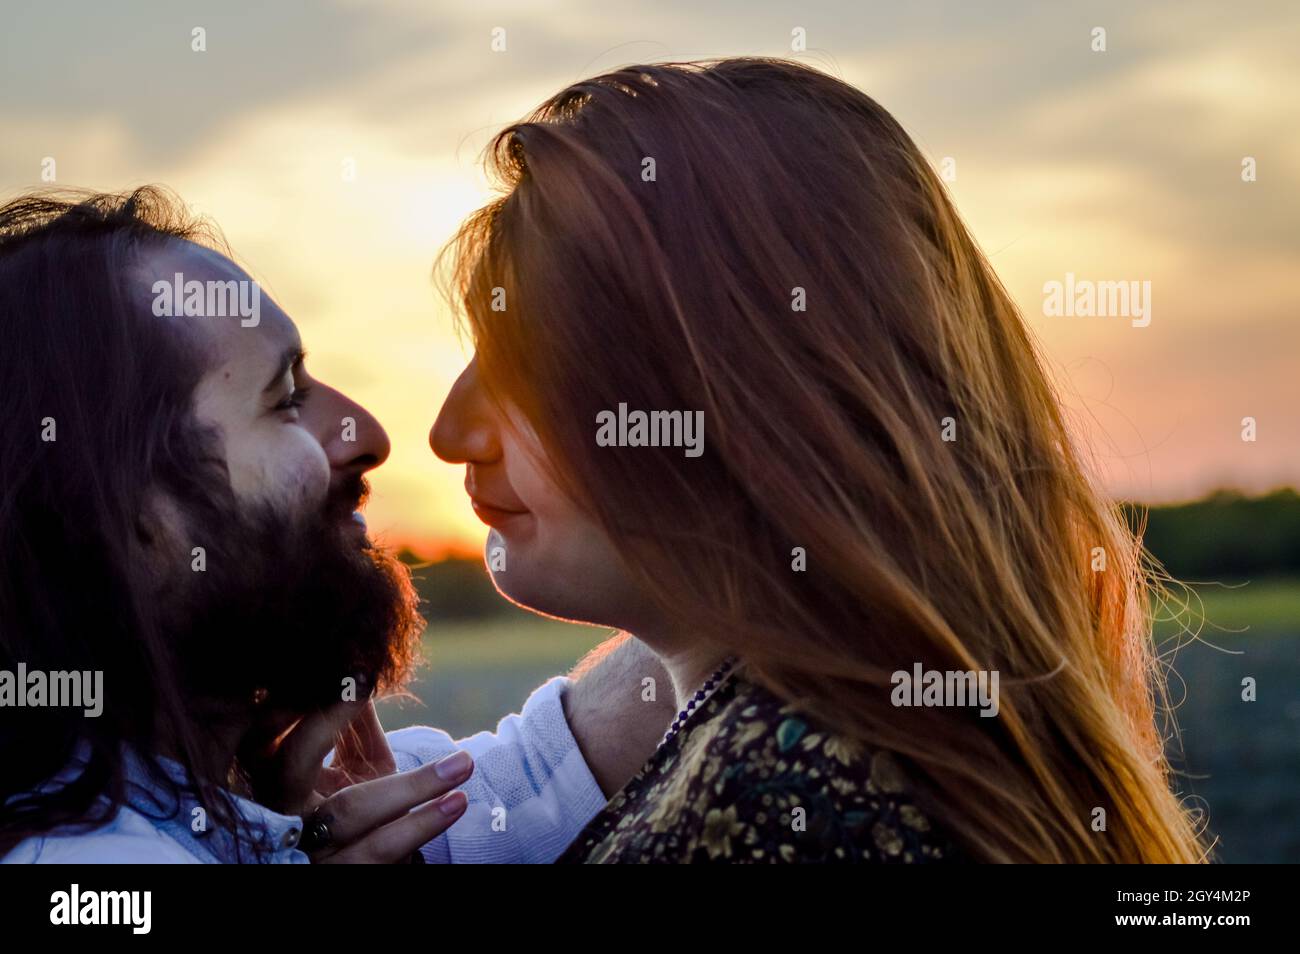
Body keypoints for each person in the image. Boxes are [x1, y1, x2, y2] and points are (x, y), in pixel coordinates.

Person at [429, 57, 1211, 863]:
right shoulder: (898, 722)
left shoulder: (767, 805)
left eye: (525, 365)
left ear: (744, 394)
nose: (450, 433)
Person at [0, 188, 668, 864]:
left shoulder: (267, 805)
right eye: (285, 399)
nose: (367, 436)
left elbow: (538, 780)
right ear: (118, 520)